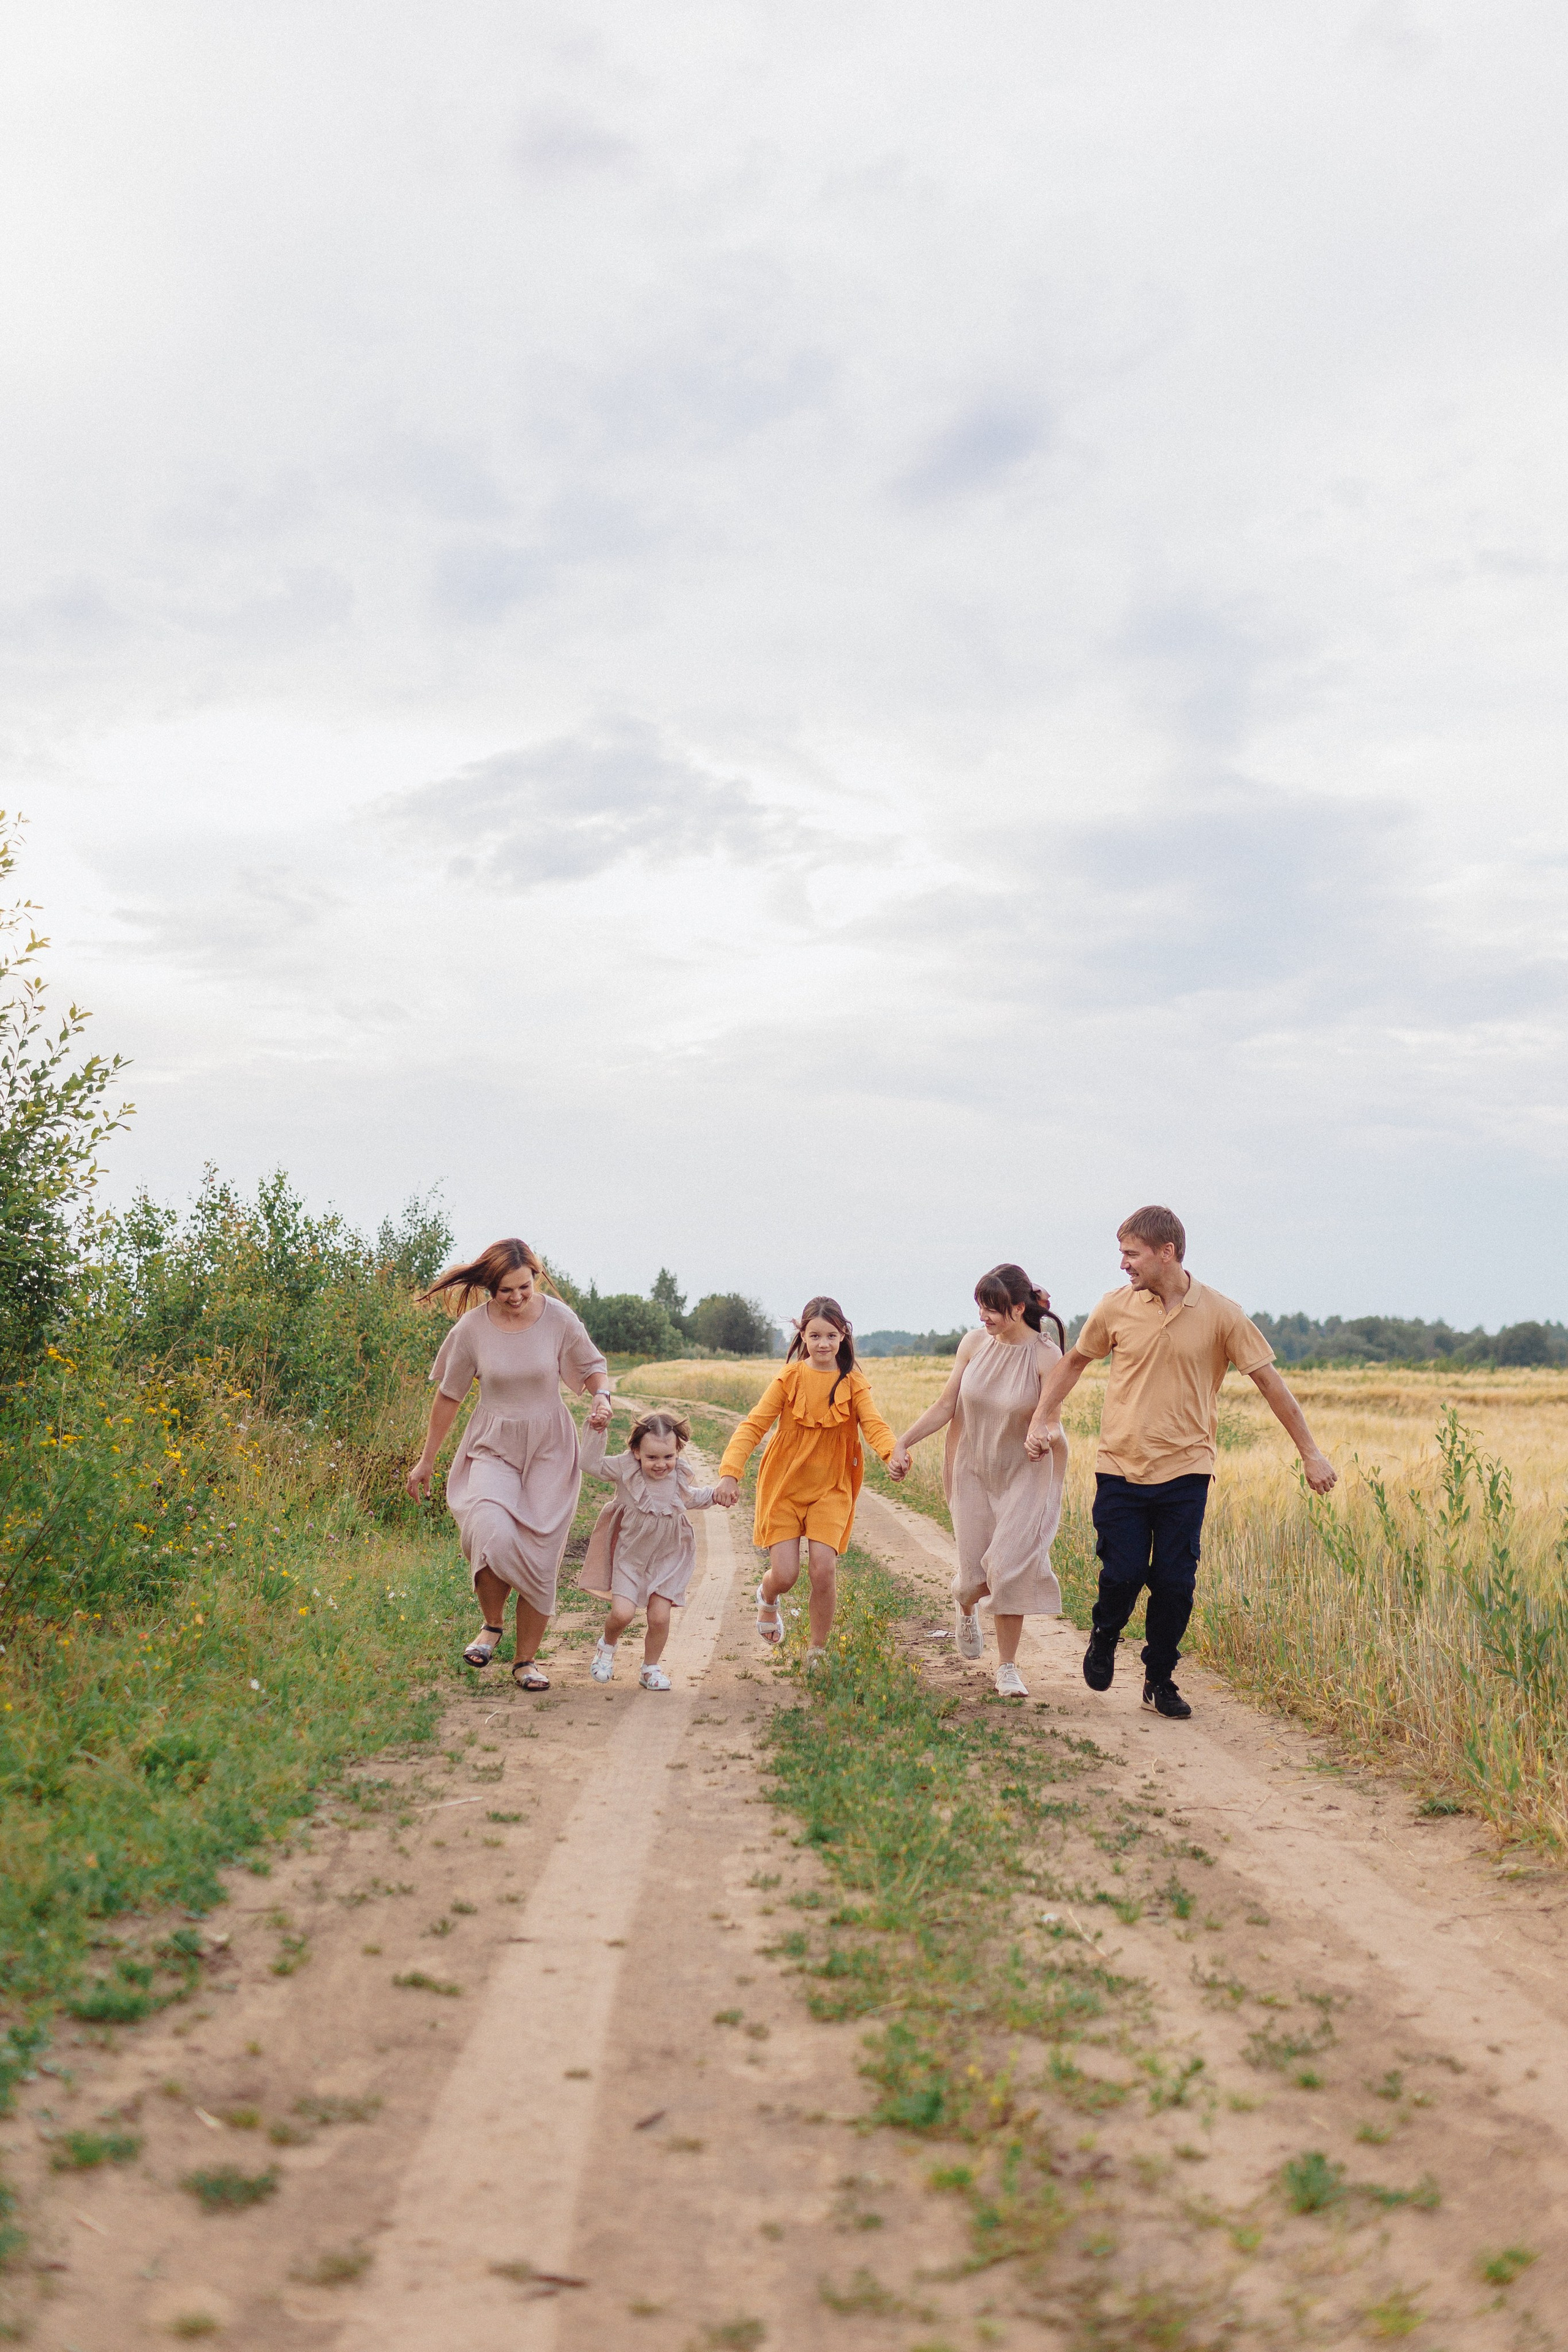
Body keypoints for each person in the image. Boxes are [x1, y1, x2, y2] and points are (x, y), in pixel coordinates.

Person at [1027, 1205, 1338, 1719]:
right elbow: (1074, 1363)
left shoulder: (1221, 1313)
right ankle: (1104, 1634)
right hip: (1121, 1467)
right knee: (1123, 1573)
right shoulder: (1114, 1307)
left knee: (1175, 1583)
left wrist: (1311, 1453)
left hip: (1187, 1471)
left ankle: (1159, 1678)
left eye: (1131, 1253)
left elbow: (1270, 1385)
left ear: (1165, 1252)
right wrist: (1042, 1418)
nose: (1123, 1264)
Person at [406, 1238, 611, 1691]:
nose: (518, 1297)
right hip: (493, 1443)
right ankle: (492, 1624)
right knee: (489, 1529)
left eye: (525, 1286)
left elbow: (592, 1366)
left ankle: (526, 1662)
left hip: (551, 1448)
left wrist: (600, 1395)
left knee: (541, 1555)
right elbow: (449, 1396)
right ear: (488, 1288)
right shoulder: (471, 1329)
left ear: (535, 1276)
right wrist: (426, 1461)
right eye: (506, 1290)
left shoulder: (558, 1318)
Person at [889, 1263, 1069, 1699]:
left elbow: (1050, 1417)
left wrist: (1039, 1436)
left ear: (1019, 1307)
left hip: (1024, 1475)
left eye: (992, 1310)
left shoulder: (1047, 1356)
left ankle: (1007, 1668)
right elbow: (945, 1404)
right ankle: (965, 1604)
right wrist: (903, 1442)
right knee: (973, 1578)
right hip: (973, 1468)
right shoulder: (973, 1344)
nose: (983, 1318)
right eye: (981, 1309)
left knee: (1008, 1569)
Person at [711, 1296, 902, 1664]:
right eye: (815, 1335)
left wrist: (892, 1452)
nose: (823, 1344)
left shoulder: (854, 1383)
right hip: (784, 1485)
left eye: (831, 1335)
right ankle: (767, 1598)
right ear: (803, 1335)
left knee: (823, 1568)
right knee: (785, 1574)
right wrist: (729, 1474)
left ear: (844, 1335)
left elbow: (874, 1425)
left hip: (832, 1487)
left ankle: (817, 1649)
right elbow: (753, 1425)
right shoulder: (790, 1378)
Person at [577, 1409, 735, 1689]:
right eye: (652, 1457)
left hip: (668, 1559)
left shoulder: (679, 1476)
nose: (661, 1465)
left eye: (668, 1457)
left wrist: (716, 1495)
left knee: (660, 1617)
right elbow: (590, 1464)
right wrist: (596, 1430)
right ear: (636, 1451)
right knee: (622, 1614)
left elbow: (693, 1497)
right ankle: (607, 1647)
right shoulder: (624, 1469)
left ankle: (650, 1668)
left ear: (677, 1451)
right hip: (631, 1558)